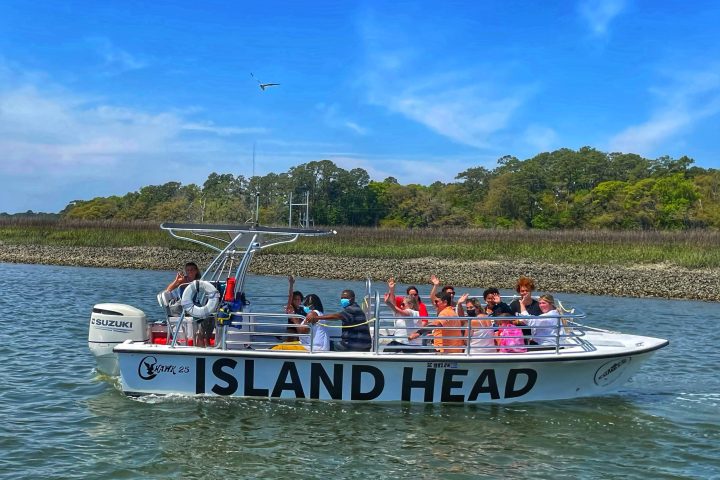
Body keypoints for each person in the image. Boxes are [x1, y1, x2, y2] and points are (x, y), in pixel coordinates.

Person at [305, 289, 371, 352]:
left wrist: (317, 317)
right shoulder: (355, 307)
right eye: (342, 298)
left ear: (353, 299)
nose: (343, 300)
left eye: (345, 298)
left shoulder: (352, 309)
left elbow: (337, 316)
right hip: (362, 345)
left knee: (326, 345)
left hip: (354, 346)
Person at [383, 278, 423, 352]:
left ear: (411, 305)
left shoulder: (413, 312)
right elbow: (393, 302)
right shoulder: (400, 313)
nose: (401, 306)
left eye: (403, 304)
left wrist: (388, 303)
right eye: (401, 304)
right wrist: (391, 289)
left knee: (389, 349)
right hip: (400, 342)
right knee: (387, 349)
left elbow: (403, 313)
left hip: (409, 345)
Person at [508, 276, 540, 344]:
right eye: (522, 291)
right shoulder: (514, 304)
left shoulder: (537, 305)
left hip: (532, 337)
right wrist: (518, 322)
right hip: (517, 337)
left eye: (527, 290)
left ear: (531, 291)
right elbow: (508, 321)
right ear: (519, 292)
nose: (525, 293)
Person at [284, 275, 304, 342]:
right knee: (292, 335)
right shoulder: (291, 307)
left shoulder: (303, 309)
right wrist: (291, 284)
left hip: (301, 329)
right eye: (295, 299)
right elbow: (290, 295)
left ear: (301, 300)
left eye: (299, 299)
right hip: (292, 330)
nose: (297, 301)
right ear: (292, 300)